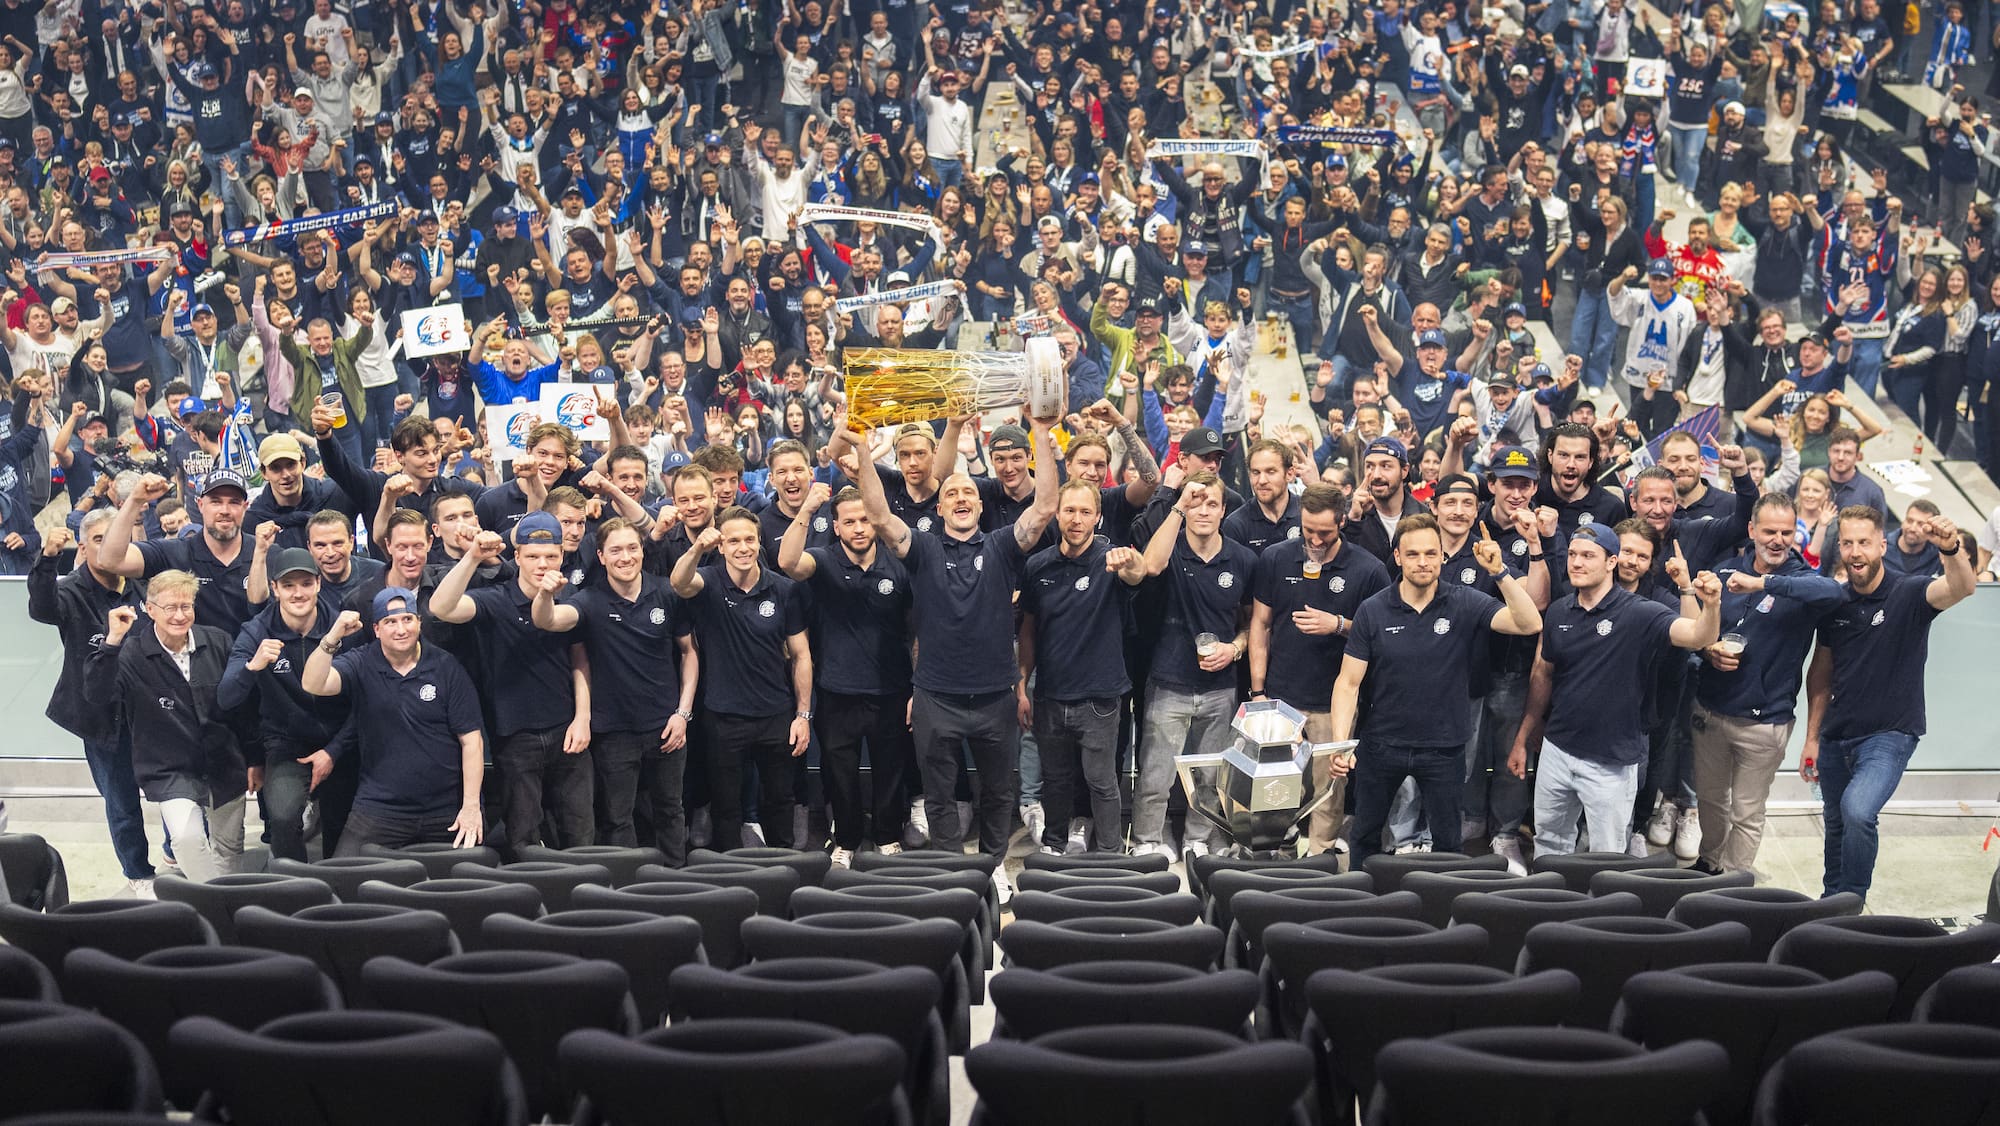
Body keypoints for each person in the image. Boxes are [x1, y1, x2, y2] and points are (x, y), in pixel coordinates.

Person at [854, 404, 1060, 902]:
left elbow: (1045, 507)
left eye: (969, 491)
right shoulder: (922, 549)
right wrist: (861, 445)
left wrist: (1039, 431)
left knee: (998, 793)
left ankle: (990, 865)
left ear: (981, 506)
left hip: (994, 698)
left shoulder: (1003, 546)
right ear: (940, 508)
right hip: (936, 697)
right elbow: (880, 515)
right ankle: (951, 866)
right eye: (952, 493)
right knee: (940, 794)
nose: (962, 497)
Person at [1329, 515, 1542, 865]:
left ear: (1443, 556)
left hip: (1444, 748)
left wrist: (1500, 573)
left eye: (1431, 553)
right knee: (1365, 835)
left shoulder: (1465, 601)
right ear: (1397, 557)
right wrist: (1341, 743)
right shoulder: (1373, 609)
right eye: (1413, 554)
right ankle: (1360, 902)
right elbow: (1348, 682)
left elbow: (1529, 623)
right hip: (1382, 745)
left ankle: (1442, 909)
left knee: (1448, 843)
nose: (1423, 562)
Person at [1511, 525, 1723, 857]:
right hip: (1557, 749)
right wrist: (1526, 735)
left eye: (1588, 556)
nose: (1577, 563)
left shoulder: (1639, 612)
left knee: (1607, 852)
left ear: (1611, 562)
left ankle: (1599, 910)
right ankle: (1549, 903)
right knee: (1549, 841)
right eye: (1573, 555)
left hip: (1611, 760)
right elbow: (1545, 675)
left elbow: (1698, 637)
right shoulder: (1558, 611)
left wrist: (1710, 605)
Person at [1802, 505, 1978, 901]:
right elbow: (1821, 674)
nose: (1855, 551)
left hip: (1889, 734)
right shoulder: (1836, 602)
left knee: (1858, 811)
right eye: (1847, 543)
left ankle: (1851, 900)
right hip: (1835, 735)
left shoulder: (1910, 591)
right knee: (1836, 823)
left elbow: (1962, 588)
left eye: (1864, 542)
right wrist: (1812, 738)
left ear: (1882, 544)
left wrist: (1950, 548)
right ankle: (1831, 903)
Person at [1692, 494, 1845, 875]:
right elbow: (1695, 629)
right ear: (1751, 531)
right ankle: (1709, 864)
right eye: (1769, 531)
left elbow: (1834, 592)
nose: (1777, 540)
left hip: (1765, 723)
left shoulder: (1803, 581)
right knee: (1710, 800)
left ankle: (1734, 882)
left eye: (1786, 532)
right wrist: (1708, 652)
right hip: (1710, 710)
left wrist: (1763, 583)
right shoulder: (1725, 572)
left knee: (1747, 810)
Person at [533, 518, 700, 863]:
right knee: (617, 817)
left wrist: (683, 713)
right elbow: (546, 620)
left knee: (670, 809)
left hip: (666, 727)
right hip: (613, 732)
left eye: (632, 548)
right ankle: (627, 887)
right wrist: (546, 593)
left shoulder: (667, 592)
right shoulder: (588, 601)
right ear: (602, 556)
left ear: (642, 551)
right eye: (616, 550)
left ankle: (679, 883)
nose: (625, 557)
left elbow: (689, 653)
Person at [429, 512, 595, 851]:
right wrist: (474, 556)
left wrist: (582, 717)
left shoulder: (572, 595)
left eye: (550, 556)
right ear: (517, 557)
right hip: (515, 735)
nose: (542, 564)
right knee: (523, 835)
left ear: (562, 556)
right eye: (533, 556)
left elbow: (579, 659)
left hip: (566, 728)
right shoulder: (495, 599)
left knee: (580, 832)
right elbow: (441, 607)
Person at [1249, 482, 1391, 855]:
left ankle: (1321, 855)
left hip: (1334, 703)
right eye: (1308, 529)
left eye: (1324, 532)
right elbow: (1260, 626)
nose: (1314, 539)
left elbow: (1384, 639)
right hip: (1282, 698)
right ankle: (1276, 852)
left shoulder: (1369, 570)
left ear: (1343, 522)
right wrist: (1259, 693)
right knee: (1276, 785)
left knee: (1330, 787)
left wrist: (1339, 625)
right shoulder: (1277, 559)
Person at [779, 482, 916, 867]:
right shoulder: (822, 561)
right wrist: (806, 508)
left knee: (891, 768)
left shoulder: (899, 564)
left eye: (864, 520)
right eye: (849, 522)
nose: (858, 528)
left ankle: (888, 835)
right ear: (835, 527)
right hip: (837, 690)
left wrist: (916, 686)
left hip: (891, 687)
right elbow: (788, 562)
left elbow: (917, 631)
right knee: (840, 773)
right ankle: (848, 839)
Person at [87, 571, 250, 883]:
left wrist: (253, 758)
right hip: (169, 768)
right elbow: (97, 695)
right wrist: (112, 642)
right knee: (187, 839)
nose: (179, 615)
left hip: (224, 762)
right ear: (150, 610)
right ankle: (211, 903)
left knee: (230, 848)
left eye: (186, 606)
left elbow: (242, 708)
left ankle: (230, 903)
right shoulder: (130, 653)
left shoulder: (218, 642)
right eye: (170, 607)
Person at [670, 505, 814, 852]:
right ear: (721, 546)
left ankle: (785, 869)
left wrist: (803, 715)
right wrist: (696, 549)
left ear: (759, 541)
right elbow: (678, 582)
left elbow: (801, 655)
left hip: (776, 715)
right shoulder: (707, 582)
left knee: (780, 801)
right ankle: (730, 876)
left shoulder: (783, 589)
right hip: (723, 717)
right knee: (726, 807)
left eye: (749, 539)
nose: (743, 547)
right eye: (733, 541)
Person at [299, 590, 487, 853]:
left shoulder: (446, 667)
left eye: (408, 619)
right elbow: (314, 684)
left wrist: (470, 807)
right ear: (376, 629)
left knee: (469, 883)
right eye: (390, 622)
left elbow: (472, 742)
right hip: (380, 807)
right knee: (343, 881)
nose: (401, 629)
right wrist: (332, 637)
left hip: (444, 808)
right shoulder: (361, 661)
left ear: (419, 622)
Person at [1133, 470, 1259, 860]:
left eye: (1211, 503)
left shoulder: (1242, 559)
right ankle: (1148, 840)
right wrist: (1178, 506)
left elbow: (1251, 622)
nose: (1202, 510)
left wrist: (1234, 649)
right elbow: (1150, 566)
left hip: (1220, 686)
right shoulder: (1170, 549)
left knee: (1210, 773)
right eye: (1196, 502)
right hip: (1168, 679)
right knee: (1156, 772)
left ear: (1224, 510)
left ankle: (1197, 837)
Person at [1019, 479, 1149, 855]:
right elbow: (1027, 631)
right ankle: (1054, 848)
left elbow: (1137, 573)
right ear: (1057, 514)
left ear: (1099, 517)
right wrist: (1021, 686)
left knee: (1102, 782)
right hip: (1049, 695)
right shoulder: (1037, 566)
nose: (1076, 519)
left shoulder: (1112, 559)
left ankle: (1111, 856)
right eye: (1070, 511)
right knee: (1056, 781)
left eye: (1085, 512)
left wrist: (1132, 561)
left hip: (1100, 697)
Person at [27, 518, 151, 895]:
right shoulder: (72, 591)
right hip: (102, 716)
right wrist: (48, 558)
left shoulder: (142, 584)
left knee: (178, 786)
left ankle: (173, 850)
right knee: (121, 799)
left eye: (115, 539)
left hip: (151, 709)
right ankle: (138, 873)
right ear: (82, 547)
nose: (107, 546)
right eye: (98, 539)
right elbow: (42, 607)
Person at [218, 547, 354, 863]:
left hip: (342, 742)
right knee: (280, 818)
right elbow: (227, 698)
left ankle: (340, 889)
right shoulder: (256, 632)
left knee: (343, 825)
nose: (298, 593)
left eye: (306, 583)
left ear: (319, 584)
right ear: (275, 588)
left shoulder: (342, 627)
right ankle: (296, 889)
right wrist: (252, 666)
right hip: (286, 743)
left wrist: (335, 750)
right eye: (288, 585)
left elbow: (366, 701)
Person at [97, 469, 256, 633]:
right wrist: (135, 501)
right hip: (193, 657)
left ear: (246, 506)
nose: (225, 510)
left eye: (234, 502)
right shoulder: (174, 552)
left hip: (254, 656)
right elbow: (110, 560)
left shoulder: (265, 554)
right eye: (215, 502)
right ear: (200, 505)